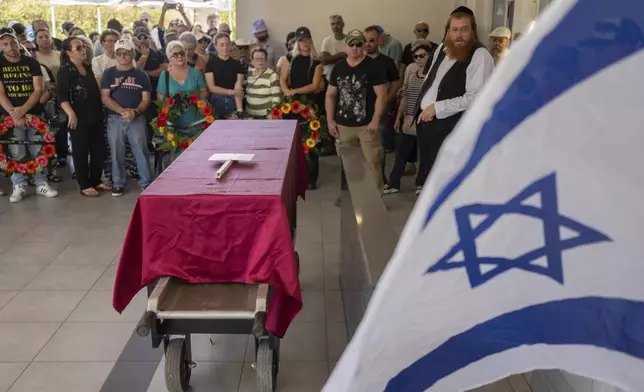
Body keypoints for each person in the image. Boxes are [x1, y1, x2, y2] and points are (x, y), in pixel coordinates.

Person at [414, 6, 494, 194]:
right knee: (430, 170)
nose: (459, 35)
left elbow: (475, 98)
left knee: (448, 179)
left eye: (464, 29)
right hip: (428, 123)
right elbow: (431, 80)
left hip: (452, 127)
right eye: (454, 30)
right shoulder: (442, 48)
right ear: (448, 31)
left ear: (472, 30)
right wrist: (422, 107)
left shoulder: (480, 56)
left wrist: (436, 107)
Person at [0, 27, 58, 202]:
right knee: (16, 151)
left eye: (12, 42)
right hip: (10, 117)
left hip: (34, 115)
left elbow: (39, 89)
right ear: (1, 46)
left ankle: (41, 183)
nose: (10, 46)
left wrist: (23, 110)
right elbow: (0, 93)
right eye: (5, 43)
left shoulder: (32, 63)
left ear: (18, 42)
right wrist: (15, 114)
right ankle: (19, 185)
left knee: (37, 149)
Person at [326, 29, 387, 191]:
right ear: (345, 47)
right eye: (351, 44)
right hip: (343, 125)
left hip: (366, 125)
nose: (355, 48)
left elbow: (381, 95)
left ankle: (376, 201)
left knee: (372, 162)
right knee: (350, 165)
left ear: (364, 46)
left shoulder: (374, 66)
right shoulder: (338, 68)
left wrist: (375, 120)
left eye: (359, 44)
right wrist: (330, 120)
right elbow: (330, 95)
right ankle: (356, 198)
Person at [100, 38, 153, 196]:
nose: (123, 56)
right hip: (114, 119)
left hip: (137, 118)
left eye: (126, 53)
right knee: (116, 152)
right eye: (119, 53)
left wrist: (135, 112)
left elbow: (146, 99)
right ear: (115, 55)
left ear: (133, 54)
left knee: (141, 150)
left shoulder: (141, 75)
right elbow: (105, 96)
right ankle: (118, 183)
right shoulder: (108, 74)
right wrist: (122, 110)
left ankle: (146, 182)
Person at [58, 37, 106, 197]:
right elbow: (62, 97)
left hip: (95, 115)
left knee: (99, 150)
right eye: (78, 48)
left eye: (83, 46)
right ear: (68, 52)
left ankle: (96, 180)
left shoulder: (87, 67)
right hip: (78, 117)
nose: (83, 49)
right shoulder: (65, 71)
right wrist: (71, 113)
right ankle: (84, 184)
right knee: (81, 151)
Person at [385, 43, 432, 194]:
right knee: (402, 153)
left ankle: (421, 183)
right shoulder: (411, 70)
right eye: (415, 56)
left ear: (429, 56)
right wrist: (399, 117)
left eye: (422, 56)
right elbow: (405, 95)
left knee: (424, 154)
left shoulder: (434, 73)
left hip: (425, 118)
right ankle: (394, 183)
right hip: (409, 117)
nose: (418, 59)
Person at [157, 41, 207, 155]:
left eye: (181, 53)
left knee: (198, 154)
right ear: (169, 57)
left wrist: (193, 98)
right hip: (175, 125)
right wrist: (173, 103)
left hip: (196, 121)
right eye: (175, 54)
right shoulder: (164, 75)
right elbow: (161, 99)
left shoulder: (195, 73)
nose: (179, 56)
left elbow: (204, 92)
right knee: (178, 157)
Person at [364, 25, 401, 179]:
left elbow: (396, 83)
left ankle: (380, 180)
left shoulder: (387, 62)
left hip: (380, 111)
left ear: (379, 40)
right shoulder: (357, 61)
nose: (367, 44)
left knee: (378, 147)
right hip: (360, 111)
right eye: (365, 40)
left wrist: (386, 100)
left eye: (371, 40)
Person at [204, 32, 244, 118]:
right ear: (215, 46)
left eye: (227, 44)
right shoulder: (210, 64)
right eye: (221, 45)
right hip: (217, 101)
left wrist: (239, 110)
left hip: (234, 101)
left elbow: (238, 86)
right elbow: (211, 87)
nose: (225, 48)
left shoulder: (237, 64)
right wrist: (230, 92)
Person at [245, 48, 281, 118]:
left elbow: (276, 98)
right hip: (250, 115)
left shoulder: (272, 75)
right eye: (257, 58)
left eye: (262, 58)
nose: (260, 61)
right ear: (252, 61)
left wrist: (272, 115)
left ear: (266, 60)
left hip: (266, 116)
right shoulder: (249, 73)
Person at [320, 15, 347, 83]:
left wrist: (331, 58)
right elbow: (324, 61)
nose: (335, 26)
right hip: (329, 79)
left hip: (347, 79)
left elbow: (353, 59)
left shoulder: (349, 40)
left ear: (343, 24)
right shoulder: (327, 41)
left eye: (338, 23)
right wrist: (340, 55)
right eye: (333, 24)